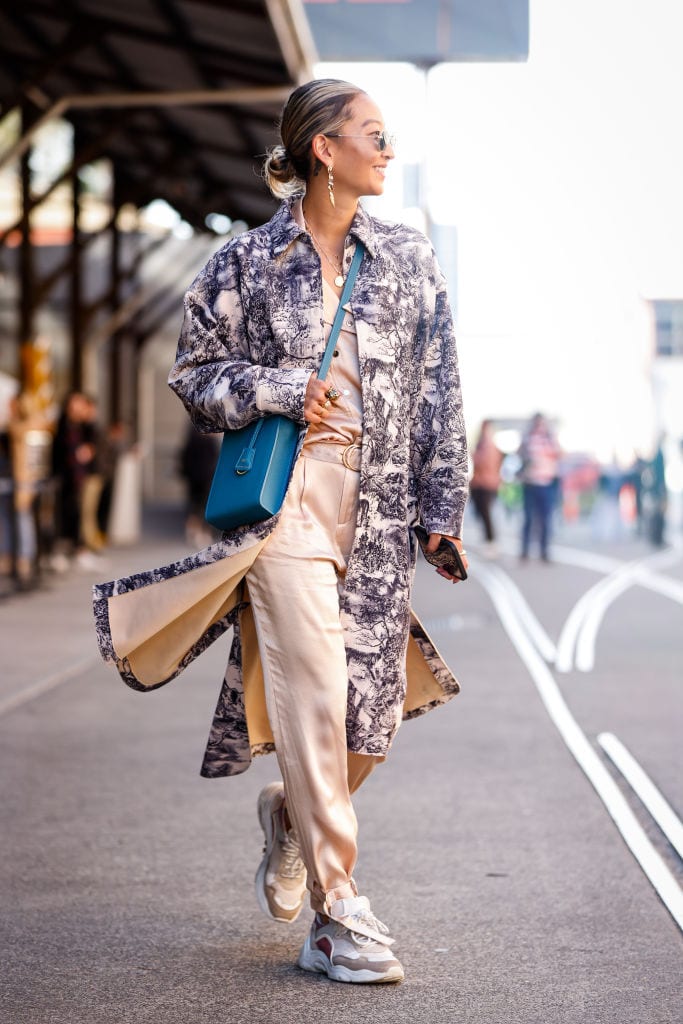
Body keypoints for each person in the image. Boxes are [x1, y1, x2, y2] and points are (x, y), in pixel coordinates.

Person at [93, 79, 468, 985]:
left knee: (367, 724)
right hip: (287, 500)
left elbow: (440, 391)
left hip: (376, 511)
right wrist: (278, 389)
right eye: (372, 135)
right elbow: (195, 375)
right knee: (313, 689)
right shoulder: (245, 263)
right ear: (322, 151)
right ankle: (341, 913)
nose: (388, 150)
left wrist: (440, 508)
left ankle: (290, 820)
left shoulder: (411, 261)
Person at [518, 412, 562, 561]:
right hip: (530, 483)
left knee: (545, 519)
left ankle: (544, 550)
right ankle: (525, 549)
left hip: (546, 483)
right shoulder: (527, 439)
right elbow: (519, 454)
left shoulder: (550, 439)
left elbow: (560, 454)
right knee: (529, 518)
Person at [469, 419, 503, 556]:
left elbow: (483, 462)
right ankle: (488, 540)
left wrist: (475, 456)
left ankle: (491, 541)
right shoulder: (481, 444)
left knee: (486, 514)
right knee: (481, 514)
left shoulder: (489, 446)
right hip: (479, 483)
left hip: (487, 484)